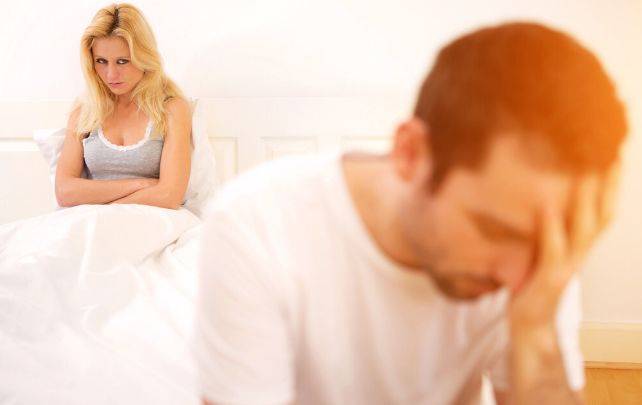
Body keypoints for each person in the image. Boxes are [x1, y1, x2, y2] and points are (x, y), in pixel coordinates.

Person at [194, 22, 627, 404]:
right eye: (494, 230)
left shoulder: (539, 262)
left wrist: (537, 330)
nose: (517, 280)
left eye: (536, 246)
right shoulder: (253, 226)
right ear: (410, 153)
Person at [55, 3, 192, 209]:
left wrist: (105, 207)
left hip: (152, 219)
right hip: (93, 221)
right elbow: (65, 192)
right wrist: (141, 184)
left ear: (144, 57)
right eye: (101, 61)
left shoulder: (171, 109)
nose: (111, 74)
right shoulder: (85, 111)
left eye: (122, 61)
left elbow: (169, 195)